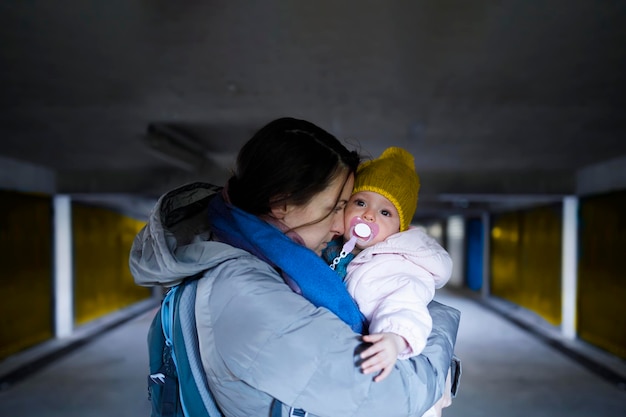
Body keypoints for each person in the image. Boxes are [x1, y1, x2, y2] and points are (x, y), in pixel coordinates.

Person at [130, 117, 460, 417]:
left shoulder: (237, 255)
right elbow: (391, 397)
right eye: (336, 208)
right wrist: (437, 318)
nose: (339, 226)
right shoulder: (249, 298)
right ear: (281, 203)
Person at [323, 146, 454, 417]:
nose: (369, 215)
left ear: (399, 229)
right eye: (361, 203)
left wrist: (394, 338)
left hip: (389, 356)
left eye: (385, 213)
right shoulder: (336, 245)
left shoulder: (394, 264)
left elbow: (405, 303)